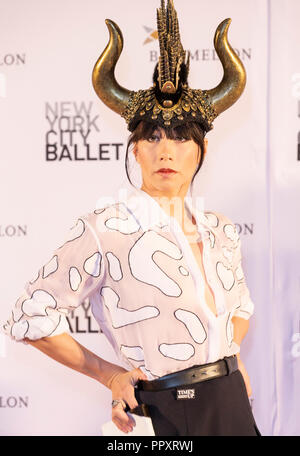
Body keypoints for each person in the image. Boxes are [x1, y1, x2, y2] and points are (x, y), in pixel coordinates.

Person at [2, 0, 260, 436]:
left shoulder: (220, 229)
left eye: (180, 138)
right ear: (135, 149)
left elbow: (239, 307)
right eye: (152, 137)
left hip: (233, 403)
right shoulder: (105, 228)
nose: (165, 151)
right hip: (164, 410)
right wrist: (111, 375)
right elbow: (30, 317)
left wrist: (229, 362)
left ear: (202, 150)